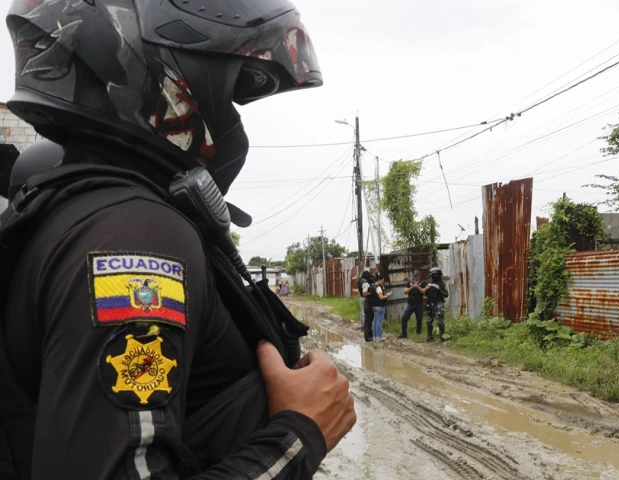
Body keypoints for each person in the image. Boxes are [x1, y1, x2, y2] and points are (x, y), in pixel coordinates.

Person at [0, 1, 356, 478]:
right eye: (231, 91)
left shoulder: (77, 207)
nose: (232, 118)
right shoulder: (134, 239)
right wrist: (300, 435)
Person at [424, 267, 449, 342]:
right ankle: (429, 336)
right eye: (433, 275)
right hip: (430, 304)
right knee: (429, 320)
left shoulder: (441, 284)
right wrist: (426, 289)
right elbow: (427, 294)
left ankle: (442, 337)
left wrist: (439, 289)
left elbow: (446, 294)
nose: (435, 276)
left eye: (436, 274)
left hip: (439, 304)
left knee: (439, 320)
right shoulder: (430, 284)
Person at [400, 270, 425, 338]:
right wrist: (411, 287)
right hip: (410, 304)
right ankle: (404, 333)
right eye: (414, 276)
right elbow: (405, 292)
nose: (415, 277)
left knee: (419, 319)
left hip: (419, 304)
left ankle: (418, 333)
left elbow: (424, 292)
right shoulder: (410, 282)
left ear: (419, 276)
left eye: (416, 276)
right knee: (404, 317)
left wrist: (417, 286)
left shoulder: (423, 283)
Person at [370, 274, 392, 342]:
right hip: (380, 306)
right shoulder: (378, 287)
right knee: (379, 322)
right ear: (379, 280)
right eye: (382, 280)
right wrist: (387, 295)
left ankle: (374, 337)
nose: (383, 282)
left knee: (375, 322)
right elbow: (381, 297)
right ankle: (379, 337)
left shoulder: (372, 286)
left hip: (374, 306)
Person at [362, 273, 376, 342]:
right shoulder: (366, 284)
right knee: (367, 322)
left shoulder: (370, 283)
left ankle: (370, 335)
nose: (372, 278)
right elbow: (364, 293)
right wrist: (371, 293)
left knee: (370, 321)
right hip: (368, 306)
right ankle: (367, 337)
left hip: (371, 305)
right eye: (371, 277)